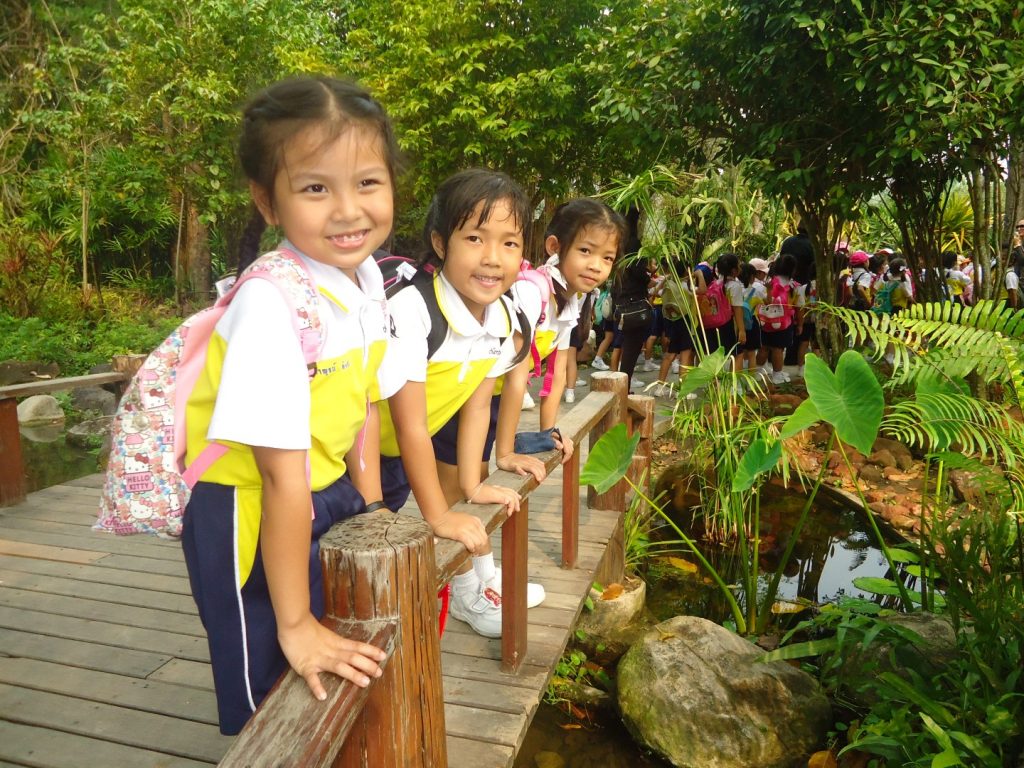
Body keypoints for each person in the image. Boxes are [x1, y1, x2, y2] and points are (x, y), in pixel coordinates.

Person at [180, 76, 397, 734]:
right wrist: (294, 622)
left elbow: (362, 405)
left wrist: (372, 507)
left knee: (338, 660)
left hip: (320, 489)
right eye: (315, 188)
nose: (348, 210)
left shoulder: (366, 283)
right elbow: (278, 477)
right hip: (248, 508)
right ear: (266, 201)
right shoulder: (271, 303)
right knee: (272, 684)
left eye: (367, 182)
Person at [378, 169, 532, 638]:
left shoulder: (502, 318)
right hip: (349, 456)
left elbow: (476, 408)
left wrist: (471, 485)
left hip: (394, 460)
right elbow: (410, 426)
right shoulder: (413, 308)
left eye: (509, 243)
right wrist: (438, 516)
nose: (492, 258)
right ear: (440, 243)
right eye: (475, 238)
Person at [759, 253, 803, 384]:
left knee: (764, 347)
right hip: (784, 323)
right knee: (778, 348)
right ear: (793, 269)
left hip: (765, 321)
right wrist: (800, 324)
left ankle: (756, 372)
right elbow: (799, 307)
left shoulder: (769, 282)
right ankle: (777, 375)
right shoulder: (795, 286)